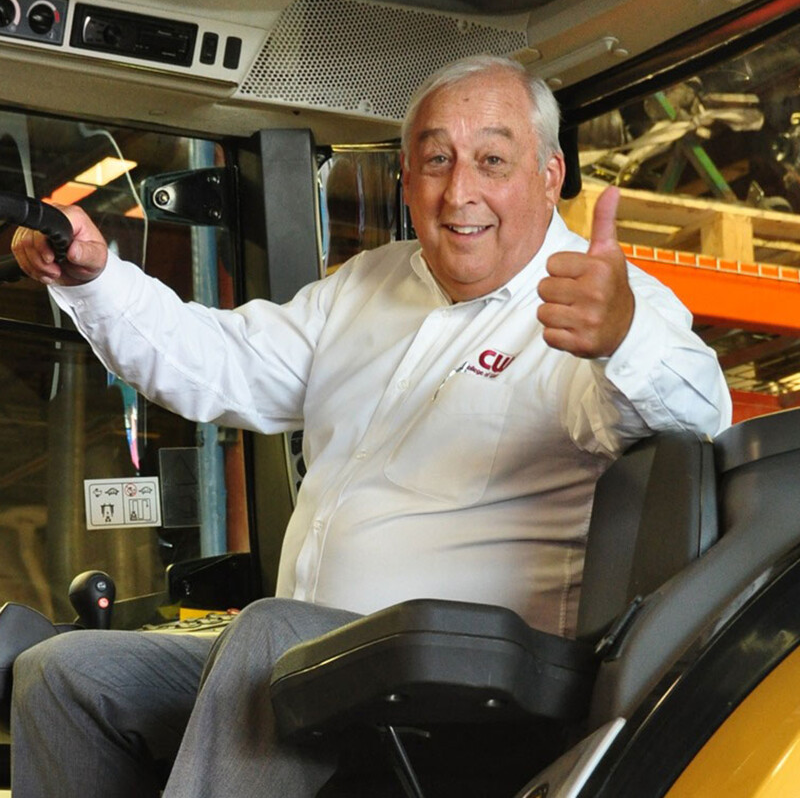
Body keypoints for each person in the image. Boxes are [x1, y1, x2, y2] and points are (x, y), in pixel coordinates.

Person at [9, 54, 731, 797]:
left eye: (491, 160)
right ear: (406, 180)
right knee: (64, 674)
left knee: (270, 635)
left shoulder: (591, 303)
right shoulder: (366, 284)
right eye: (437, 161)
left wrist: (625, 334)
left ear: (549, 176)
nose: (460, 192)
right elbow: (217, 364)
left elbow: (698, 418)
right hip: (311, 661)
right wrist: (95, 278)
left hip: (470, 684)